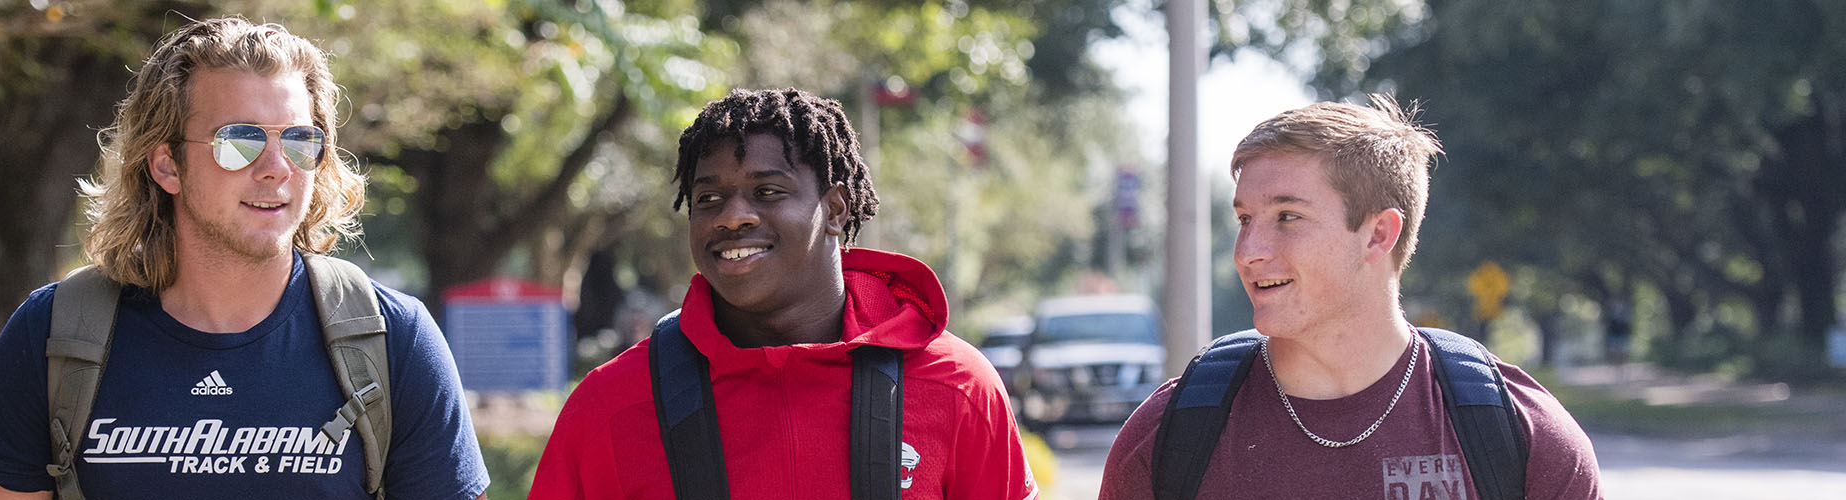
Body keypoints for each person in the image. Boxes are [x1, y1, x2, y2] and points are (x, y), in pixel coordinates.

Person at [0, 18, 489, 499]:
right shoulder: (54, 335)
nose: (277, 167)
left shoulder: (394, 340)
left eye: (300, 139)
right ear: (166, 165)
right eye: (240, 140)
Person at [528, 88, 1037, 499]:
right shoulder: (610, 404)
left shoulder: (958, 387)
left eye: (768, 191)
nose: (732, 215)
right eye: (708, 198)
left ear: (835, 209)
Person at [1097, 95, 1602, 499]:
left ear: (1379, 234)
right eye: (1245, 219)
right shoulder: (1169, 435)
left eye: (1287, 217)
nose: (1248, 252)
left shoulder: (1519, 435)